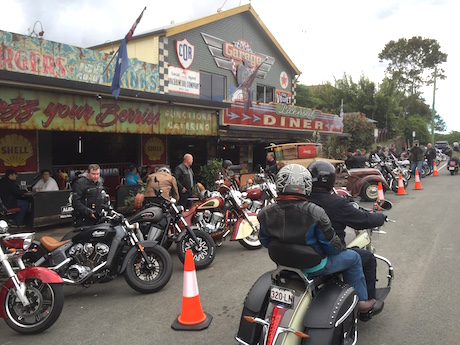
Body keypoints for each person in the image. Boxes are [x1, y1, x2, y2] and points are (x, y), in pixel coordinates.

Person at [257, 164, 376, 312]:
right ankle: (361, 302)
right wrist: (342, 247)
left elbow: (265, 241)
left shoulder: (265, 213)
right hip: (314, 266)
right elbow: (332, 247)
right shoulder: (315, 212)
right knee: (354, 258)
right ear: (307, 184)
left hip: (283, 264)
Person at [307, 160, 386, 311]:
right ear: (330, 180)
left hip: (300, 253)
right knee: (366, 258)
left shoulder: (302, 201)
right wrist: (380, 217)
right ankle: (365, 303)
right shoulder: (336, 203)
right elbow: (361, 220)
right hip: (324, 256)